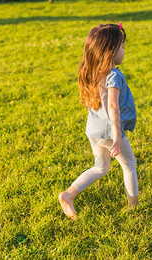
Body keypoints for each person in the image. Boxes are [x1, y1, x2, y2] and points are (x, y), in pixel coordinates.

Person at [58, 23, 139, 220]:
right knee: (129, 164)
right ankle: (134, 206)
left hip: (93, 130)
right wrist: (117, 137)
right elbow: (113, 107)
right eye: (122, 46)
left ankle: (68, 195)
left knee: (101, 167)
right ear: (111, 50)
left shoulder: (93, 72)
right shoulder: (113, 76)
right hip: (109, 132)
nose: (124, 50)